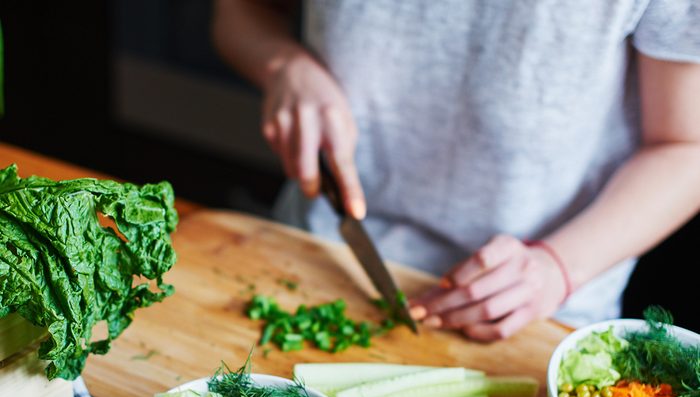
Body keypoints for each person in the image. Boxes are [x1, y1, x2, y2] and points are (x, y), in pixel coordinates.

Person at [212, 1, 700, 340]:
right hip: (316, 258)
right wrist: (284, 66)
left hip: (536, 310)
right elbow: (239, 13)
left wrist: (554, 268)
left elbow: (685, 147)